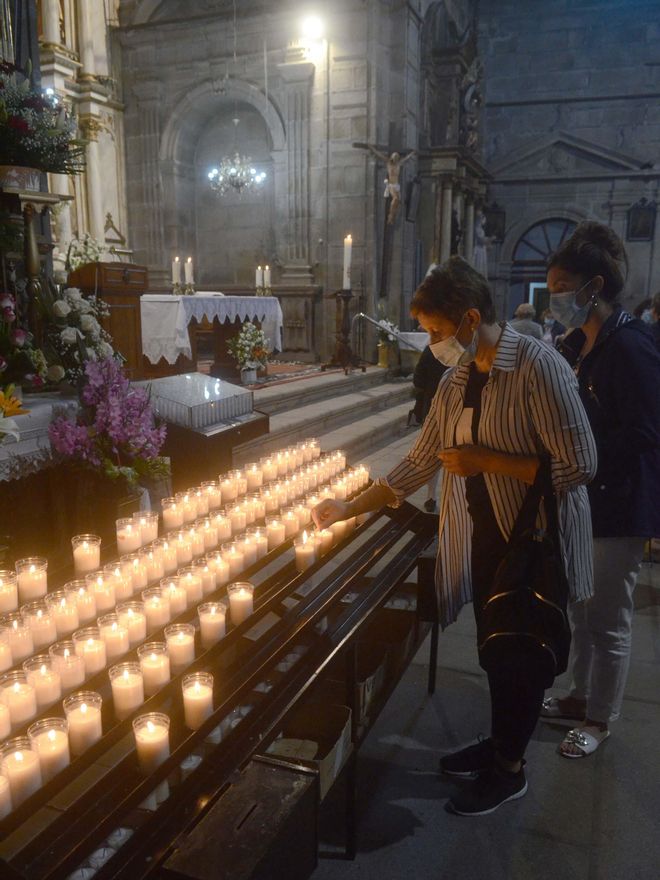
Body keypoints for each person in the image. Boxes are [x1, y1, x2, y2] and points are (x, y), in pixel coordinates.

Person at [313, 256, 597, 816]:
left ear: (470, 319)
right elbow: (418, 463)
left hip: (537, 541)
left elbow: (581, 464)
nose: (432, 343)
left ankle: (509, 772)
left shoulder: (539, 368)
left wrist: (486, 459)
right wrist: (350, 505)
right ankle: (500, 743)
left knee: (522, 653)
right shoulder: (458, 380)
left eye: (437, 331)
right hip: (485, 534)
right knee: (497, 648)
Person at [541, 221, 660, 757]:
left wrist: (582, 459)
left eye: (562, 286)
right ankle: (578, 694)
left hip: (619, 501)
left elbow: (645, 431)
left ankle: (599, 719)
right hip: (586, 499)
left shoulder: (631, 345)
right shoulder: (579, 343)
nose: (554, 298)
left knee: (609, 618)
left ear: (593, 286)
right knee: (582, 609)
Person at [410, 338, 448, 512]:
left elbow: (418, 379)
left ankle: (431, 496)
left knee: (433, 452)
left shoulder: (431, 350)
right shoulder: (464, 350)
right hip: (459, 409)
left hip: (432, 405)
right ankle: (450, 498)